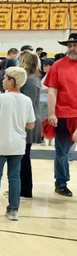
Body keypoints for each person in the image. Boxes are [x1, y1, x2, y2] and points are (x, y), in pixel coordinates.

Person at [0, 67, 36, 221]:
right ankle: (13, 210)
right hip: (18, 144)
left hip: (1, 143)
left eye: (5, 78)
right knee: (14, 177)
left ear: (11, 81)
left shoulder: (0, 98)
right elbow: (31, 124)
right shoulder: (26, 100)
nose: (3, 80)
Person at [46, 32, 77, 197]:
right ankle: (61, 182)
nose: (72, 48)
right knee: (62, 152)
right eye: (70, 46)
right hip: (64, 115)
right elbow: (52, 91)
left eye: (75, 45)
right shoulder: (58, 65)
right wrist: (51, 113)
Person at [18, 52, 42, 199]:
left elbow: (27, 104)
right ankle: (21, 188)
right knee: (21, 156)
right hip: (26, 120)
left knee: (23, 156)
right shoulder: (29, 79)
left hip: (28, 121)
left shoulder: (31, 80)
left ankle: (25, 190)